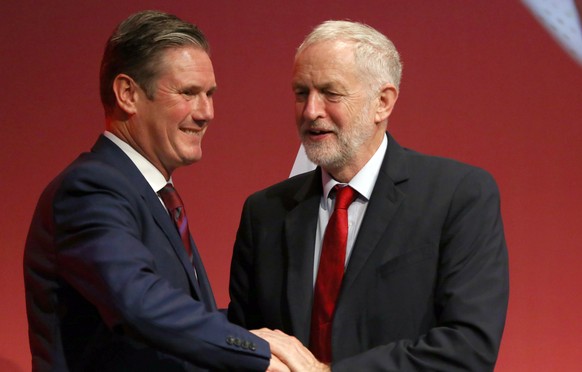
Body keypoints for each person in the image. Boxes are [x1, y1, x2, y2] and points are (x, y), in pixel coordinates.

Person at [228, 20, 509, 371]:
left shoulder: (458, 196)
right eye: (301, 93)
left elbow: (468, 347)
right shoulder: (265, 212)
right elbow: (243, 341)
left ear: (383, 103)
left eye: (330, 93)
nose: (311, 111)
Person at [24, 10, 286, 372]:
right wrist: (260, 353)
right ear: (128, 93)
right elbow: (140, 303)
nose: (207, 112)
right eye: (189, 93)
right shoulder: (90, 188)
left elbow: (184, 319)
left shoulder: (153, 196)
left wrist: (279, 329)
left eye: (210, 94)